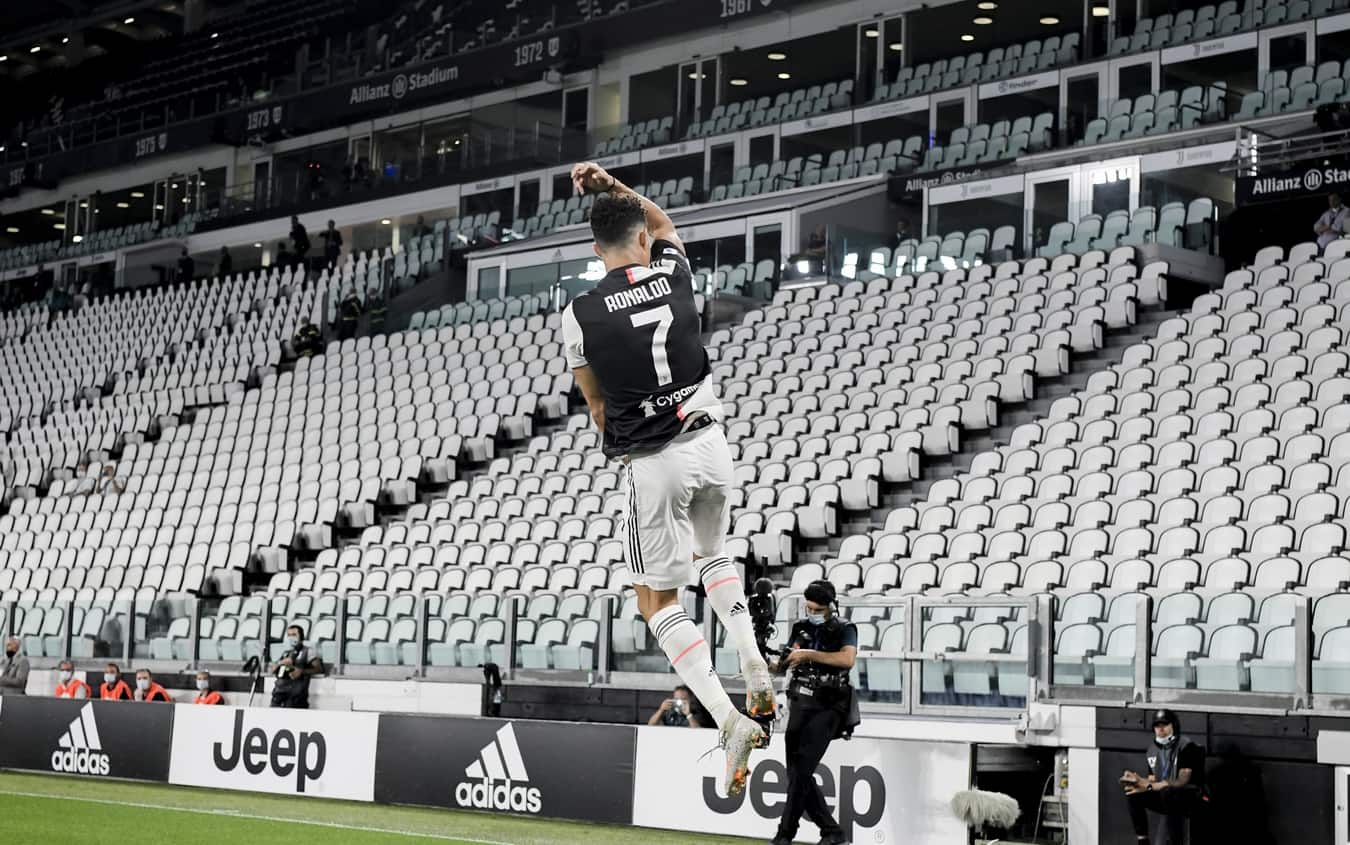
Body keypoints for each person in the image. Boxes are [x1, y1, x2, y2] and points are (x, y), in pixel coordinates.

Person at [561, 161, 772, 797]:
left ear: (596, 252)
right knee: (715, 554)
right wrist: (610, 185)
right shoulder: (674, 273)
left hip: (654, 460)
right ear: (645, 240)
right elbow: (663, 220)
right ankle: (750, 652)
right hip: (712, 442)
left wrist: (615, 434)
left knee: (655, 599)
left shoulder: (582, 312)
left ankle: (731, 717)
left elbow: (596, 404)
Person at [769, 581, 858, 845]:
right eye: (808, 607)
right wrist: (769, 663)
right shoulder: (800, 627)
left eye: (817, 608)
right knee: (796, 772)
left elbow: (847, 659)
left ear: (830, 606)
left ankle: (785, 834)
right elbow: (784, 664)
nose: (812, 612)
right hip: (800, 701)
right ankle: (831, 831)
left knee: (801, 770)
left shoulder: (846, 628)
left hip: (830, 704)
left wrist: (810, 654)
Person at [1122, 709, 1205, 845]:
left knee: (1169, 792)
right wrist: (1138, 781)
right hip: (1166, 794)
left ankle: (1175, 841)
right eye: (1157, 726)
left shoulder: (1187, 746)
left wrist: (1151, 785)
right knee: (1133, 792)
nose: (1161, 729)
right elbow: (1153, 780)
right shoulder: (1152, 750)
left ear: (1174, 726)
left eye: (1165, 725)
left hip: (1190, 795)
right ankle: (1143, 841)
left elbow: (1183, 780)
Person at [269, 624, 323, 709]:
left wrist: (301, 671)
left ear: (301, 637)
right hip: (279, 695)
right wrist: (280, 663)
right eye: (289, 635)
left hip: (296, 698)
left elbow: (318, 669)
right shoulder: (286, 652)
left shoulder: (308, 651)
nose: (291, 638)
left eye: (294, 635)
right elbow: (273, 669)